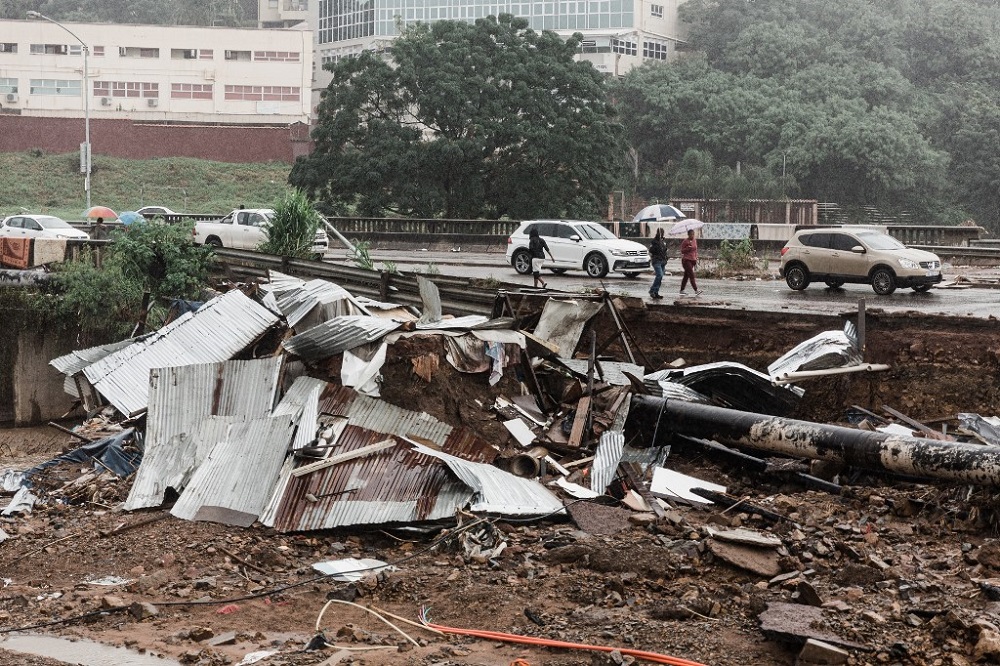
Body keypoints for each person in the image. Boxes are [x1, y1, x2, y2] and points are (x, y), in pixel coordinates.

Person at [679, 228, 702, 296]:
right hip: (686, 260)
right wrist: (688, 248)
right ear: (688, 235)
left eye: (693, 234)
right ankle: (696, 290)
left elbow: (695, 251)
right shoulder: (685, 241)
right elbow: (682, 251)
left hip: (692, 260)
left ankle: (682, 290)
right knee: (691, 275)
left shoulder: (694, 241)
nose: (692, 236)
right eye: (691, 234)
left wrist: (695, 259)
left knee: (686, 276)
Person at [648, 228, 667, 299]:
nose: (661, 234)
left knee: (660, 277)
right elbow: (651, 250)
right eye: (660, 232)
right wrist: (657, 244)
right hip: (656, 261)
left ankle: (656, 292)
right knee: (659, 275)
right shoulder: (654, 241)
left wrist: (665, 259)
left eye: (662, 232)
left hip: (662, 261)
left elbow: (664, 252)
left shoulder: (663, 242)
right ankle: (652, 290)